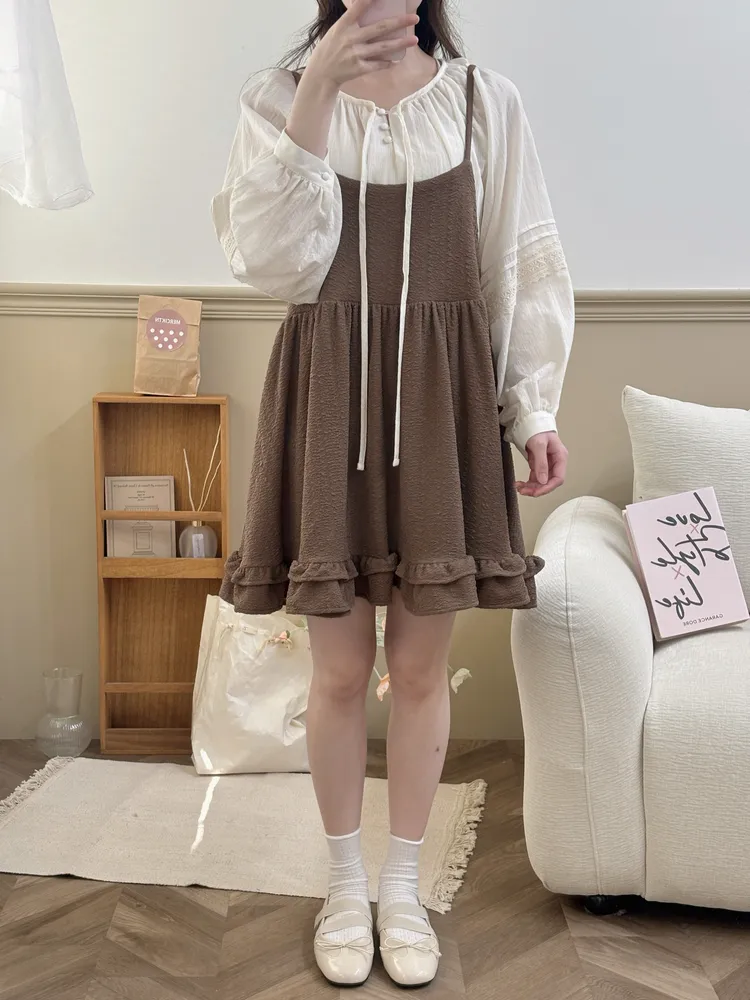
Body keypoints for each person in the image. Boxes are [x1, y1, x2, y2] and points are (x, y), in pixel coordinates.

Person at [212, 0, 574, 987]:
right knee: (335, 674)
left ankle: (402, 888)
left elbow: (516, 261)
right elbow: (271, 264)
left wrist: (532, 409)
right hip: (328, 399)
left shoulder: (483, 104)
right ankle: (343, 885)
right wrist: (319, 91)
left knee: (418, 671)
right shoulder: (277, 99)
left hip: (444, 405)